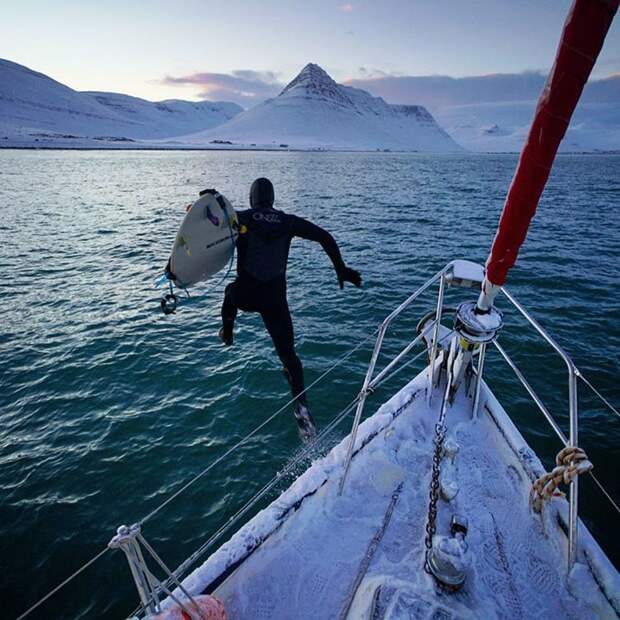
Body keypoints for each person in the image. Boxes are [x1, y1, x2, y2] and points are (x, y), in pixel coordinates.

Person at [220, 177, 362, 441]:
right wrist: (340, 269)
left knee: (230, 293)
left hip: (247, 295)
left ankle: (228, 330)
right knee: (290, 357)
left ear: (252, 198)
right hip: (275, 300)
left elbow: (210, 223)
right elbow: (324, 237)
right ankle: (302, 408)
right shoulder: (288, 221)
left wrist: (210, 201)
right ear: (272, 199)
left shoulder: (241, 218)